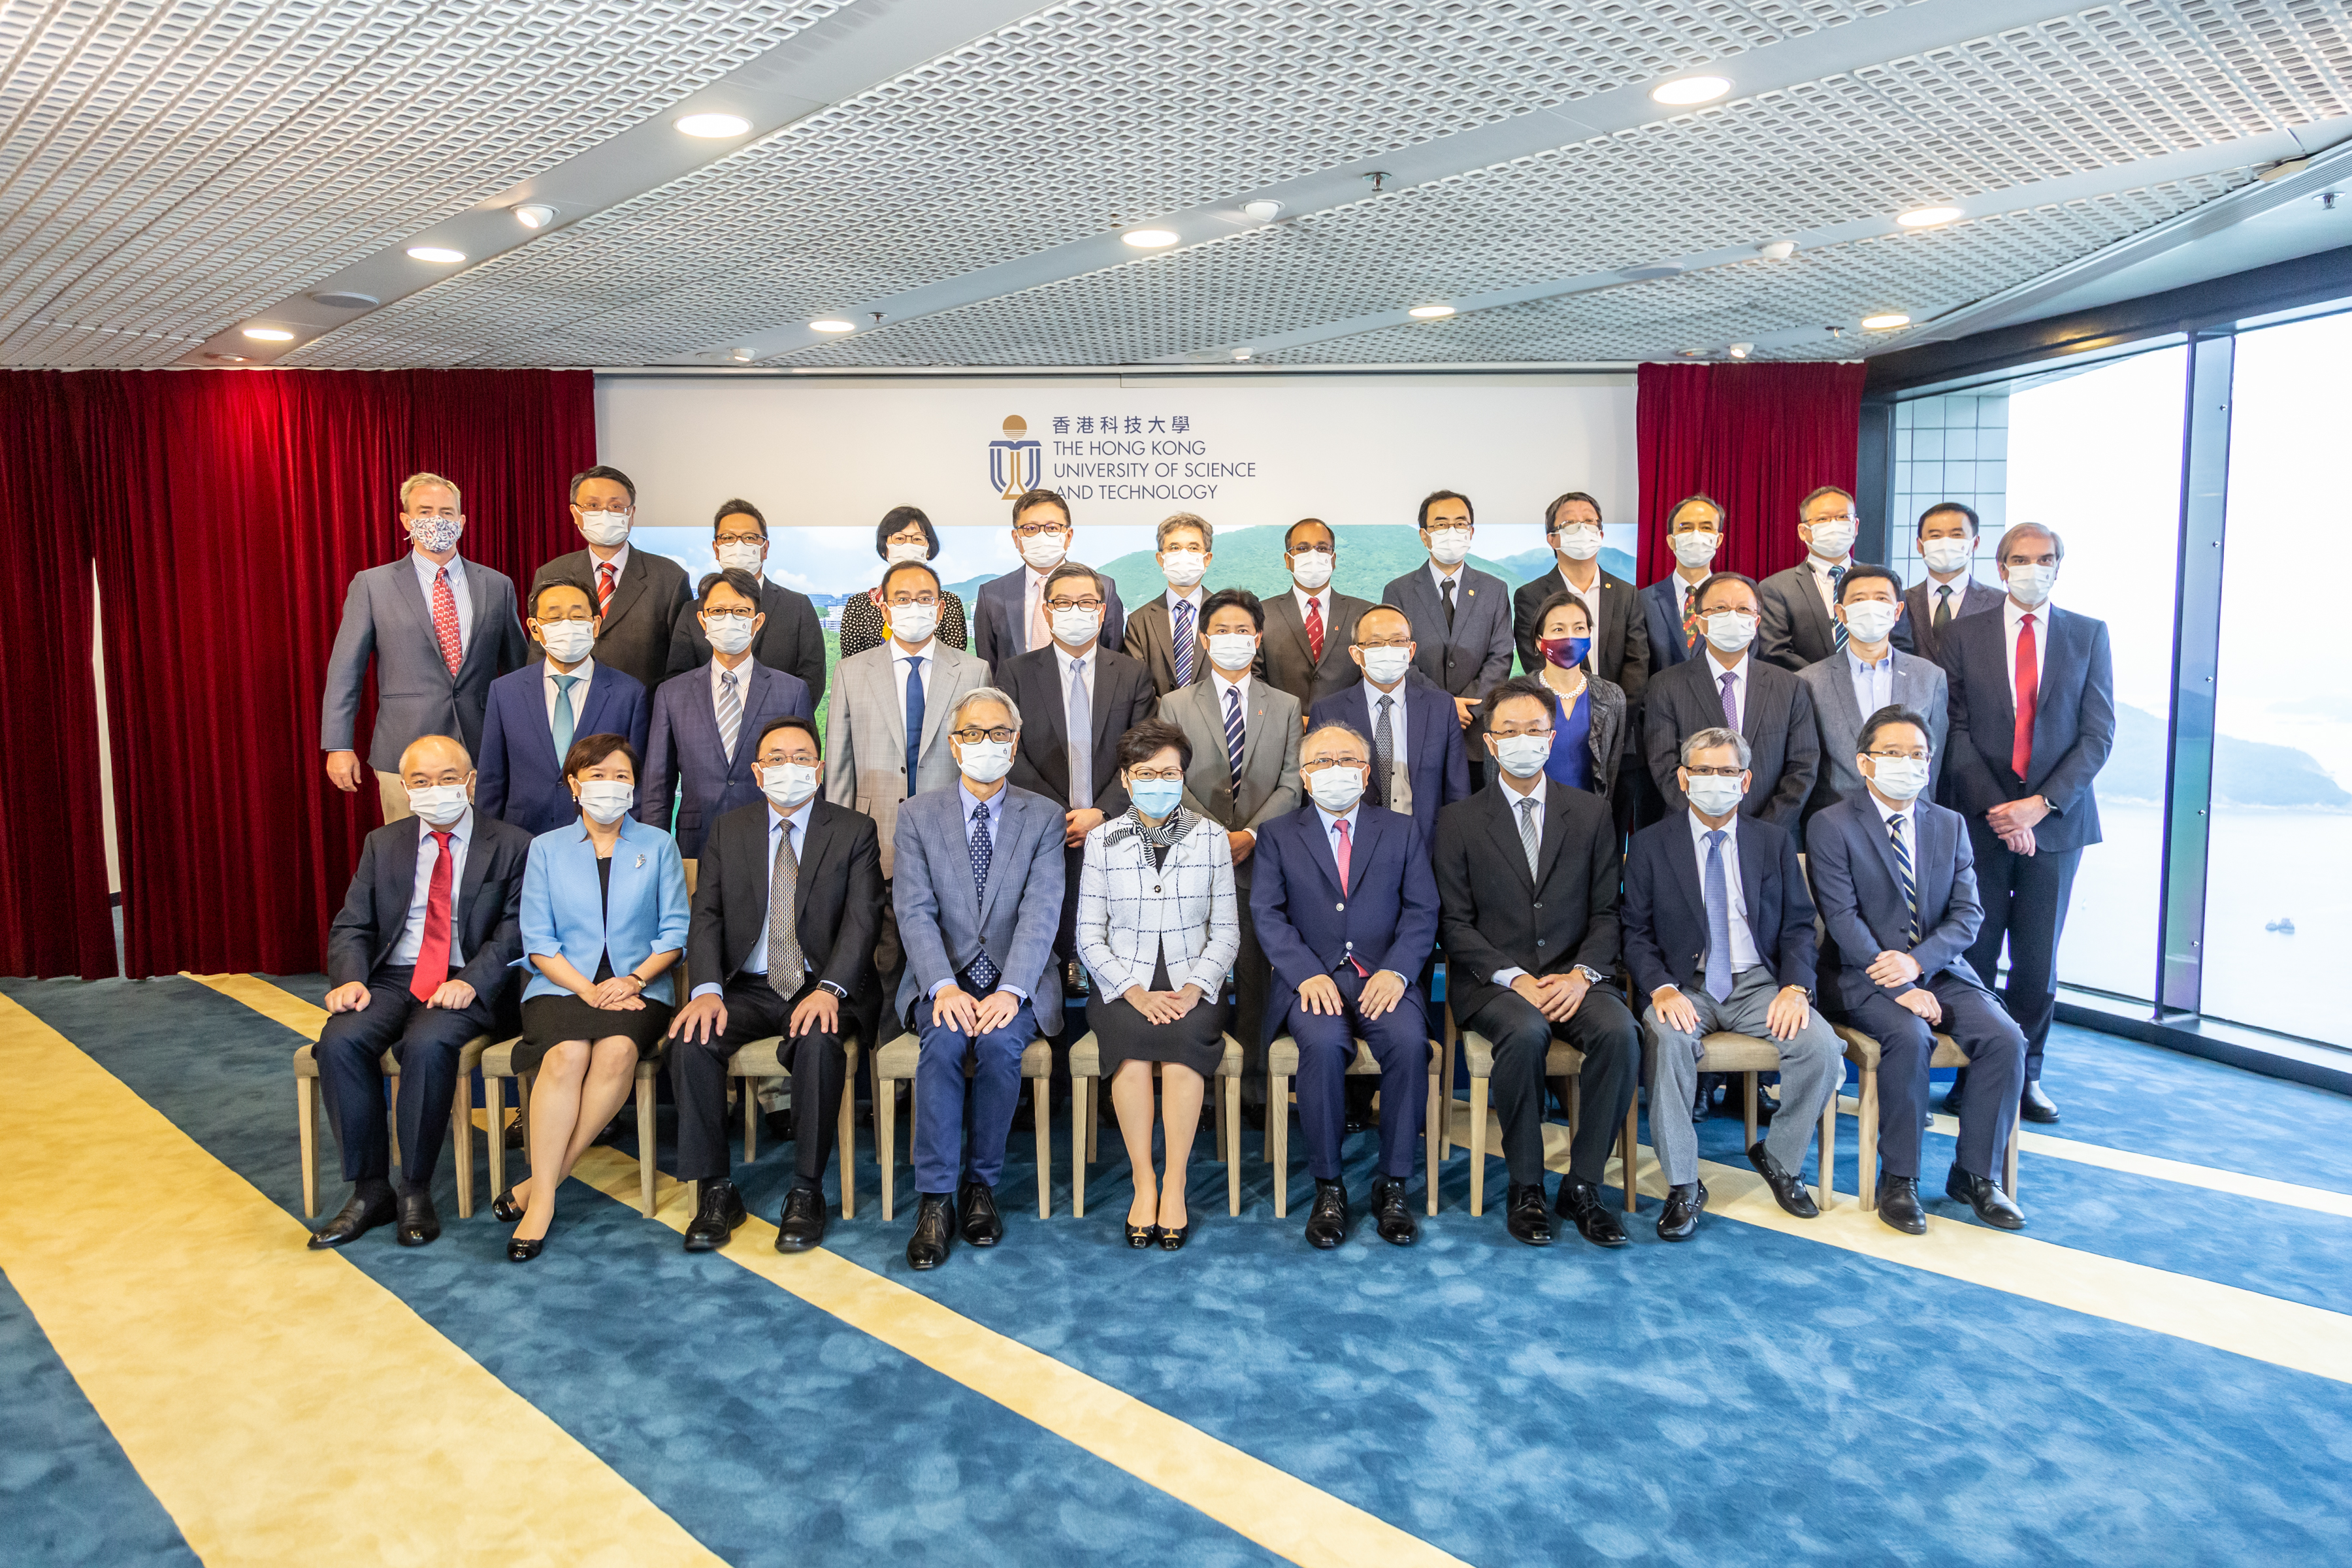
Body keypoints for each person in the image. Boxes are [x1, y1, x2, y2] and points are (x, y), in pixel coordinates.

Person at [1433, 676, 1641, 1249]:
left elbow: (1607, 913)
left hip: (1576, 976)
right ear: (1491, 742)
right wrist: (1516, 977)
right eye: (1509, 730)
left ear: (1552, 738)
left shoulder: (1594, 813)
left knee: (1621, 1033)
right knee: (1524, 1035)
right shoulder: (1457, 821)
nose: (1522, 739)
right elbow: (1454, 924)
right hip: (1494, 983)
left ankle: (1583, 1186)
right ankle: (1525, 1185)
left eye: (1534, 730)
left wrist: (1581, 975)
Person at [306, 736, 534, 1250]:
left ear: (470, 782)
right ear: (406, 790)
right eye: (422, 782)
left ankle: (413, 1189)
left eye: (448, 779)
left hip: (465, 977)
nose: (436, 791)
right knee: (340, 1041)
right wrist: (349, 979)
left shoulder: (514, 844)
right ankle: (370, 1190)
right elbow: (352, 926)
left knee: (428, 1047)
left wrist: (470, 982)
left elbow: (517, 930)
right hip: (393, 976)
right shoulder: (382, 844)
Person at [666, 715, 883, 1253]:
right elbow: (707, 915)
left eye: (803, 757)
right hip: (747, 985)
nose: (792, 768)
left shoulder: (854, 830)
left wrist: (829, 988)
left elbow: (864, 920)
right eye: (778, 759)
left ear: (820, 767)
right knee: (690, 1040)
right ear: (759, 773)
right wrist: (706, 990)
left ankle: (806, 1192)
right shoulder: (729, 829)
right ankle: (715, 1190)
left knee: (817, 1042)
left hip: (821, 984)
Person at [1808, 704, 2029, 1233]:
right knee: (1908, 1036)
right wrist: (1900, 982)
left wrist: (1918, 962)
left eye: (1918, 755)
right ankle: (1899, 1179)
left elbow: (1968, 914)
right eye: (1892, 754)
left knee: (2006, 1038)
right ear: (1865, 763)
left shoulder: (1949, 825)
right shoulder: (1831, 824)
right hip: (1860, 975)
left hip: (1940, 971)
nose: (1906, 764)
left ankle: (1976, 1174)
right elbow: (1840, 917)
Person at [1620, 728, 1844, 1241]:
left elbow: (1796, 927)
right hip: (1685, 986)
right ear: (1682, 778)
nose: (1713, 781)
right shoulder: (1652, 844)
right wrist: (1660, 988)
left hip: (1758, 985)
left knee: (1821, 1045)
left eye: (1726, 772)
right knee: (1666, 1038)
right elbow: (1633, 933)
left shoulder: (1773, 841)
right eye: (1702, 770)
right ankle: (1682, 1184)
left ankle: (1780, 1158)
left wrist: (1795, 989)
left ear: (1745, 781)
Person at [1936, 523, 2112, 1125]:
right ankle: (1969, 1069)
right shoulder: (1963, 635)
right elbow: (1953, 730)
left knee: (2037, 963)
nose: (2032, 568)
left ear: (2059, 565)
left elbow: (2097, 736)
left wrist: (2039, 806)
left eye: (2045, 559)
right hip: (1981, 822)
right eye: (2020, 559)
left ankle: (2026, 1074)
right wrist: (2000, 810)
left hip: (2058, 825)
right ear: (2002, 566)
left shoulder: (2089, 635)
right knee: (1975, 953)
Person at [891, 689, 1066, 1271]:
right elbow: (914, 910)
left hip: (1016, 983)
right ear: (953, 743)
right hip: (941, 982)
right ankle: (936, 1200)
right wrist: (942, 986)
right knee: (942, 1042)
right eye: (972, 733)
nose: (985, 744)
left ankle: (981, 1186)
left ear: (1015, 743)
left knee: (997, 1044)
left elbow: (1043, 912)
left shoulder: (1042, 815)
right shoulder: (918, 813)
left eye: (997, 734)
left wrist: (1012, 991)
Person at [1251, 722, 1440, 1249]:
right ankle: (1328, 1185)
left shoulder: (1401, 830)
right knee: (1323, 1045)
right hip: (1313, 980)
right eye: (1321, 762)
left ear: (1365, 772)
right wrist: (1305, 971)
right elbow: (1267, 914)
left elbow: (1423, 910)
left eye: (1346, 761)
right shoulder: (1278, 834)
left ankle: (1393, 1183)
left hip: (1384, 977)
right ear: (1305, 777)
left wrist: (1399, 970)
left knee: (1407, 1044)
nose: (1335, 771)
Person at [502, 734, 689, 1260]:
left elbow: (675, 932)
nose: (610, 786)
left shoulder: (658, 845)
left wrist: (631, 981)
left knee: (617, 1052)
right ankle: (544, 1198)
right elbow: (538, 940)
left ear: (635, 787)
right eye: (598, 776)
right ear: (574, 785)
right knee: (565, 1056)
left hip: (640, 986)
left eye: (621, 776)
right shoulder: (545, 848)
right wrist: (587, 989)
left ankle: (539, 1189)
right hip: (562, 984)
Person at [1075, 719, 1240, 1250]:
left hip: (1195, 982)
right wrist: (1132, 990)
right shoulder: (1102, 841)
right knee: (1132, 1047)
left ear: (1183, 776)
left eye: (1169, 772)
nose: (1158, 781)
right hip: (1124, 985)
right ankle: (1144, 1181)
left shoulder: (1211, 836)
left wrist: (1196, 987)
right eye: (1146, 773)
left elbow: (1227, 931)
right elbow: (1088, 934)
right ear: (1126, 780)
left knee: (1183, 1043)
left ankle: (1176, 1183)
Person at [828, 558, 990, 1050]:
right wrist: (840, 851)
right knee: (884, 963)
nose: (914, 608)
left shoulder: (974, 669)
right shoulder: (853, 671)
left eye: (925, 599)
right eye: (902, 599)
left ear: (941, 608)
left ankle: (949, 1063)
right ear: (883, 604)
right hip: (877, 842)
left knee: (951, 956)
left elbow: (983, 766)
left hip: (954, 841)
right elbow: (839, 767)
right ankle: (890, 1086)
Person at [1157, 589, 1303, 1116]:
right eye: (1222, 630)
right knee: (1201, 977)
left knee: (1258, 981)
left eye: (1244, 631)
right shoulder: (1174, 704)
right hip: (1197, 859)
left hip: (1264, 862)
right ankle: (1204, 1094)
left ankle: (1257, 1097)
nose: (1233, 640)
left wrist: (1252, 836)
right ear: (1203, 637)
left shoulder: (1285, 706)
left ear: (1258, 638)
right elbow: (1171, 779)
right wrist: (1217, 834)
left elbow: (1292, 784)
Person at [321, 471, 526, 822]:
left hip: (481, 751)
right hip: (403, 751)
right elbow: (346, 671)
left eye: (446, 513)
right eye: (425, 511)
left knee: (483, 856)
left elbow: (519, 670)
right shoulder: (373, 585)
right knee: (410, 860)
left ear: (461, 521)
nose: (437, 520)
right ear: (406, 520)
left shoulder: (497, 584)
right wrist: (339, 745)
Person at [1000, 563, 1159, 981]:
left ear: (1102, 611)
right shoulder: (1015, 673)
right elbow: (1010, 753)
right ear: (1047, 611)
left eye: (1086, 602)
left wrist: (1102, 812)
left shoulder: (1131, 674)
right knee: (1049, 938)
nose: (1076, 611)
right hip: (1042, 826)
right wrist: (1061, 816)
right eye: (1064, 602)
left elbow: (1143, 754)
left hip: (1120, 827)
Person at [640, 568, 814, 864]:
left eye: (740, 611)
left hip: (772, 841)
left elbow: (807, 777)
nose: (729, 619)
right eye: (718, 611)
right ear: (702, 620)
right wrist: (650, 852)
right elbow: (658, 784)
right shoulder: (672, 693)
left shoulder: (792, 691)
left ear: (757, 621)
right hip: (696, 843)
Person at [1643, 571, 1818, 831]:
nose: (1732, 616)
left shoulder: (1790, 686)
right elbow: (1664, 765)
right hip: (1690, 831)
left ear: (1756, 622)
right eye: (1720, 608)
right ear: (1701, 622)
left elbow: (1803, 767)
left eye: (1743, 609)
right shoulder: (1666, 685)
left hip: (1770, 834)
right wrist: (1708, 823)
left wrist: (1764, 829)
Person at [477, 578, 649, 836]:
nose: (567, 626)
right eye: (554, 618)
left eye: (578, 617)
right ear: (535, 629)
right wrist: (488, 843)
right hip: (522, 838)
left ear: (595, 625)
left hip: (602, 839)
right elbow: (492, 780)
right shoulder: (505, 691)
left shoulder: (629, 693)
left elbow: (640, 783)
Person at [1795, 563, 1948, 834]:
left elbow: (1934, 763)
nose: (1870, 607)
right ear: (1841, 613)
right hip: (1837, 823)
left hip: (1912, 822)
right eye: (1858, 599)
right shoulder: (1809, 681)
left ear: (1897, 610)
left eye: (1881, 598)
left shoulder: (1930, 676)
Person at [1305, 602, 1467, 847]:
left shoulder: (1441, 707)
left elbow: (1457, 793)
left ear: (1411, 650)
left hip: (1427, 846)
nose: (1387, 649)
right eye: (1375, 643)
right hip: (1354, 847)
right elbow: (1316, 795)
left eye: (1397, 641)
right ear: (1356, 654)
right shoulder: (1328, 711)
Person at [531, 465, 691, 696]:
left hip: (643, 713)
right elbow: (538, 653)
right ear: (576, 513)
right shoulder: (552, 574)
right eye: (593, 506)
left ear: (631, 514)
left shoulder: (669, 577)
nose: (605, 514)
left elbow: (681, 664)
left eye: (616, 506)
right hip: (568, 707)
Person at [1381, 491, 1514, 766]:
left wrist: (1469, 706)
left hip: (1476, 731)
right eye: (1441, 524)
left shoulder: (1495, 590)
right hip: (1419, 724)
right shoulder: (1398, 591)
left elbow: (1501, 657)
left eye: (1460, 524)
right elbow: (1397, 658)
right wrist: (1443, 705)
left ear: (1471, 532)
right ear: (1424, 535)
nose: (1451, 531)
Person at [664, 499, 828, 706]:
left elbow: (811, 681)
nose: (739, 545)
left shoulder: (798, 606)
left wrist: (777, 729)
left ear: (765, 548)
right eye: (728, 538)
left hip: (778, 730)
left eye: (750, 538)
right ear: (716, 549)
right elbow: (678, 680)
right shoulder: (691, 611)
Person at [1757, 485, 1916, 670]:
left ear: (1855, 526)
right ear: (1803, 531)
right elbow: (1776, 654)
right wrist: (1827, 683)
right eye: (1823, 519)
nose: (1834, 525)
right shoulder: (1775, 588)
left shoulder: (1883, 581)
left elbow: (1901, 645)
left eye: (1842, 517)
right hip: (1808, 692)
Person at [1513, 491, 1650, 702]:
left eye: (1589, 521)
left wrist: (1615, 715)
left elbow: (1637, 663)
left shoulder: (1626, 593)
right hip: (1557, 718)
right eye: (1570, 523)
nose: (1582, 529)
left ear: (1600, 535)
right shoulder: (1531, 596)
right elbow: (1536, 664)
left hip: (1620, 722)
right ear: (1552, 539)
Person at [972, 488, 1126, 673]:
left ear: (1068, 537)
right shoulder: (991, 595)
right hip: (1016, 699)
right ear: (1016, 538)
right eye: (1030, 529)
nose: (1042, 536)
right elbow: (989, 667)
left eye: (1052, 528)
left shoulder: (1103, 588)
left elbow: (1114, 660)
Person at [1523, 591, 1625, 798]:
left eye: (1579, 628)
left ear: (1589, 635)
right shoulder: (1517, 697)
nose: (1570, 638)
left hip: (1590, 815)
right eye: (1558, 629)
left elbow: (1611, 772)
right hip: (1532, 814)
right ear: (1539, 641)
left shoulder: (1612, 696)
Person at [1260, 518, 1371, 706]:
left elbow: (1371, 673)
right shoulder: (1262, 613)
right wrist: (1287, 716)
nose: (1314, 555)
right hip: (1282, 726)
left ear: (1333, 559)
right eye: (1303, 549)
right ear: (1288, 560)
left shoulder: (1364, 612)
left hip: (1347, 726)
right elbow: (1254, 675)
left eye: (1322, 548)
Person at [836, 506, 971, 660]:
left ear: (928, 548)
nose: (909, 544)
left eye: (917, 539)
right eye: (899, 538)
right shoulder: (859, 604)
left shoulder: (949, 602)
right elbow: (853, 664)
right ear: (884, 549)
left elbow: (955, 661)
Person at [1120, 513, 1214, 695]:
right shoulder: (1139, 621)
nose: (1184, 555)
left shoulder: (1227, 613)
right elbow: (1135, 685)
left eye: (1193, 548)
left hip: (1216, 720)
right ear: (1160, 559)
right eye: (1174, 547)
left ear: (1207, 558)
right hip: (1158, 721)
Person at [1903, 502, 2004, 664]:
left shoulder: (2000, 602)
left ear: (1975, 543)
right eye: (1935, 536)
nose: (1945, 543)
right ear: (1920, 545)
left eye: (1956, 535)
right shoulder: (1901, 601)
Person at [1640, 493, 1725, 674]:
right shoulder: (1643, 601)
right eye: (1685, 528)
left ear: (1718, 540)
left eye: (1706, 528)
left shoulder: (1734, 602)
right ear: (1672, 541)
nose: (1696, 535)